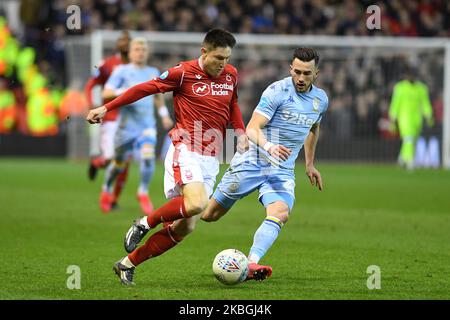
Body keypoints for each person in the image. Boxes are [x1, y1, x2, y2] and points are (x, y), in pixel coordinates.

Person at [86, 28, 247, 285]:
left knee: (186, 226)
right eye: (218, 58)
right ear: (204, 52)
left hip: (212, 155)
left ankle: (127, 264)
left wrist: (240, 132)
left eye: (227, 58)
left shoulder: (231, 75)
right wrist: (106, 107)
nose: (223, 64)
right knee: (196, 204)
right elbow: (144, 89)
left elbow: (233, 104)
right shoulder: (181, 73)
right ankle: (143, 223)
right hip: (186, 148)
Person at [199, 47, 328, 281]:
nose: (300, 78)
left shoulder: (321, 100)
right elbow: (251, 128)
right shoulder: (277, 91)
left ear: (316, 73)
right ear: (290, 69)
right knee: (208, 214)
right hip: (254, 160)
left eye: (306, 74)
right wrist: (270, 146)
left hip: (282, 169)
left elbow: (313, 129)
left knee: (281, 212)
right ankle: (177, 211)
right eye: (297, 72)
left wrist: (309, 164)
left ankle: (250, 264)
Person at [99, 37, 173, 214]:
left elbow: (157, 95)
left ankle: (143, 192)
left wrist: (164, 115)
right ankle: (106, 189)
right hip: (125, 127)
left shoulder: (152, 71)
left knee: (148, 156)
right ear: (130, 53)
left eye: (143, 49)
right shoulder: (121, 71)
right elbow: (106, 93)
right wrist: (124, 91)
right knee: (119, 164)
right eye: (137, 49)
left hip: (147, 125)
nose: (140, 52)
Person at [84, 31, 130, 209]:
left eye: (127, 41)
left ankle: (113, 200)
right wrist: (91, 105)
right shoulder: (108, 64)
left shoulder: (138, 67)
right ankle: (98, 163)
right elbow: (90, 85)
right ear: (118, 45)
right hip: (110, 117)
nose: (124, 44)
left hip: (130, 120)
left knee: (124, 162)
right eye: (121, 41)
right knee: (113, 159)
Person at [389, 66, 434, 170]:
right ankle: (410, 161)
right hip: (404, 117)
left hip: (417, 118)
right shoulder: (400, 88)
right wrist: (393, 117)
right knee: (409, 137)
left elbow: (425, 104)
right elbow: (395, 104)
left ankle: (401, 159)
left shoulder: (422, 88)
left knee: (411, 140)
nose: (410, 77)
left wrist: (429, 115)